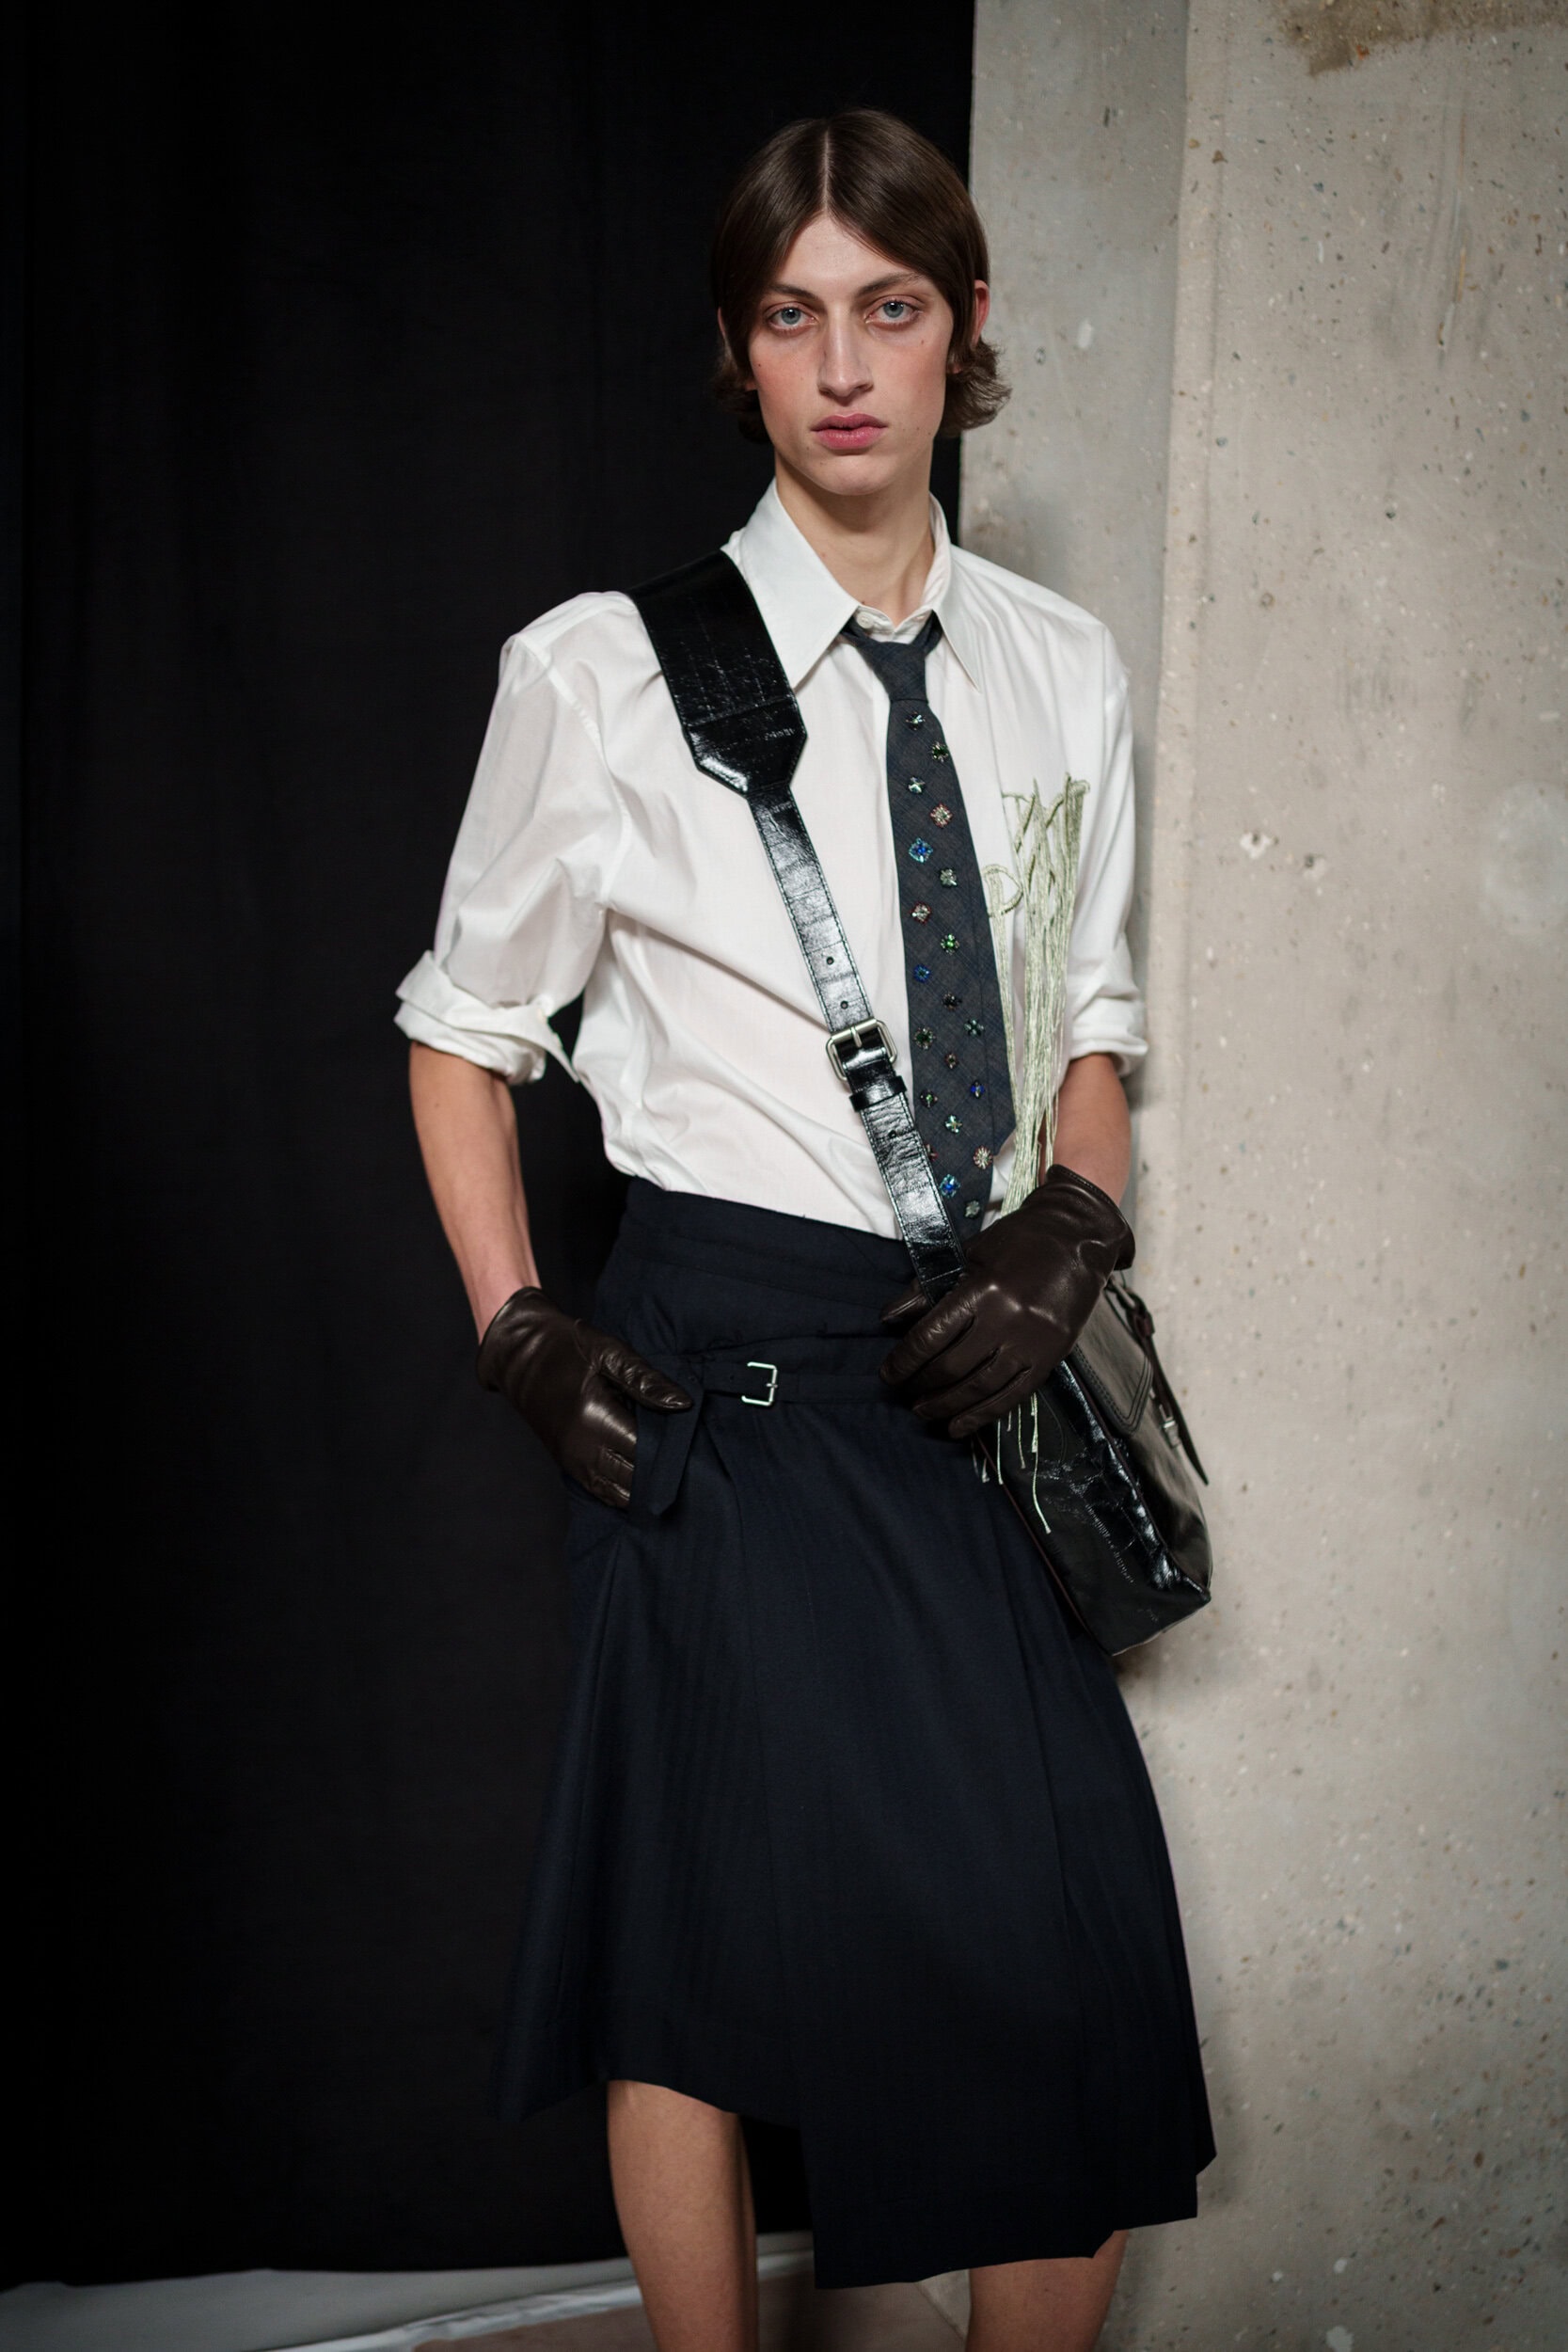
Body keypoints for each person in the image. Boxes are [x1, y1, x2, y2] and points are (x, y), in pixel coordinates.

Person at [397, 108, 1212, 2352]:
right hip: (719, 1367)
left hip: (975, 1353)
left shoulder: (1062, 664)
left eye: (891, 306)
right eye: (792, 316)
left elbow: (1092, 1021)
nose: (845, 366)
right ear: (739, 350)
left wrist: (1076, 1223)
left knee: (1071, 1963)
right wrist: (518, 1324)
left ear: (967, 327)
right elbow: (461, 1035)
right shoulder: (601, 669)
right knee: (689, 1951)